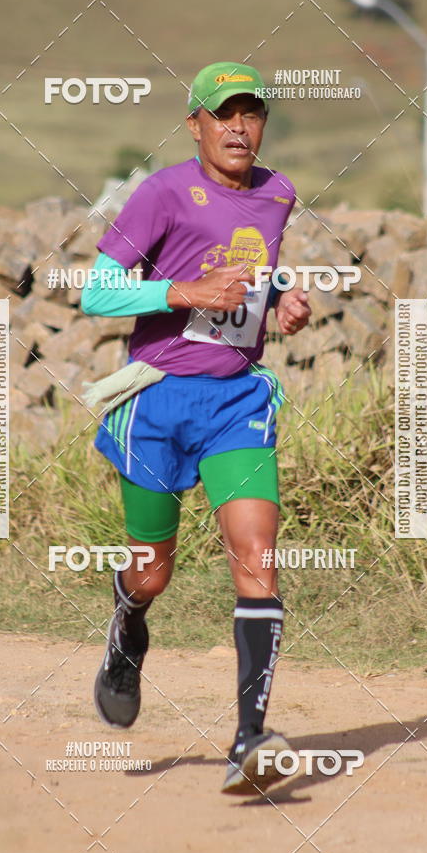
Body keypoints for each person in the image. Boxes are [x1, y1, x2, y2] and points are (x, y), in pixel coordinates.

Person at [81, 61, 311, 795]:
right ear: (195, 124)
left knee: (257, 554)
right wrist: (184, 292)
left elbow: (251, 266)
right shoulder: (162, 192)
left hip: (236, 401)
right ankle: (127, 623)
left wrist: (281, 297)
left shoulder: (279, 192)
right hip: (157, 401)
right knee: (152, 569)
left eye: (252, 113)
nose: (239, 127)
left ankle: (250, 737)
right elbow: (96, 292)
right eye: (223, 114)